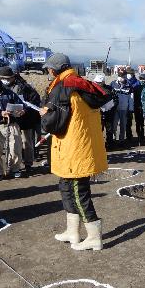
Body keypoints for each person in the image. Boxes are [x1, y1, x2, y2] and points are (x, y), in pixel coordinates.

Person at [41, 53, 108, 251]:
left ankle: (94, 236)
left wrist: (45, 115)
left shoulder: (63, 88)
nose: (48, 72)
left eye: (49, 69)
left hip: (73, 147)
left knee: (79, 193)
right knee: (67, 188)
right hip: (82, 146)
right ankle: (73, 231)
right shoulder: (81, 83)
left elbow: (56, 124)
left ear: (55, 69)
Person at [0, 66, 41, 174]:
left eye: (8, 78)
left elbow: (34, 101)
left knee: (27, 142)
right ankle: (12, 165)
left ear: (13, 77)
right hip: (10, 120)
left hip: (26, 119)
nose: (5, 81)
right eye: (3, 78)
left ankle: (28, 164)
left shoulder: (25, 87)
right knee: (11, 144)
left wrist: (25, 110)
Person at [110, 75, 133, 148]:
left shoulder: (129, 86)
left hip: (124, 108)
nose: (122, 78)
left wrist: (130, 109)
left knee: (123, 125)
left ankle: (121, 140)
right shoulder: (113, 84)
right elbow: (110, 95)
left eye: (123, 76)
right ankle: (113, 139)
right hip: (115, 108)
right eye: (120, 76)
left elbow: (131, 98)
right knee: (114, 125)